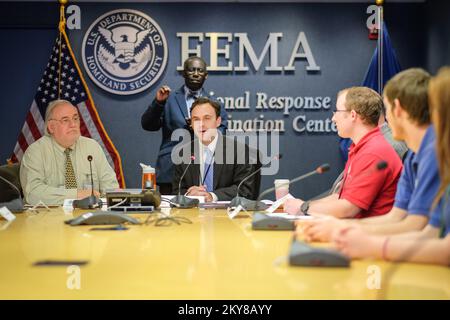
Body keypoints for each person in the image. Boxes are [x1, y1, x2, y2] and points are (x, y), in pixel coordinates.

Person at [299, 69, 440, 242]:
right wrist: (341, 228)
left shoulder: (431, 155)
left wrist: (346, 232)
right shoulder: (412, 157)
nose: (384, 118)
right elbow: (397, 218)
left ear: (397, 109)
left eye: (386, 109)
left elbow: (420, 229)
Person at [333, 67, 450, 266]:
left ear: (396, 108)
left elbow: (423, 230)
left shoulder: (433, 152)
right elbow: (428, 230)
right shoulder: (415, 153)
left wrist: (371, 244)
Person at [284, 87, 403, 219]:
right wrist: (303, 205)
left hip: (366, 236)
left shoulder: (373, 152)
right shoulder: (361, 147)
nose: (333, 118)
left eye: (337, 111)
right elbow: (340, 197)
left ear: (353, 115)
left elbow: (348, 208)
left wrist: (304, 208)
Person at [141, 56, 228, 195]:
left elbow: (221, 134)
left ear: (206, 76)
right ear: (183, 73)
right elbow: (148, 125)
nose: (195, 74)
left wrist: (201, 128)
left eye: (200, 71)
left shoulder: (214, 104)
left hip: (202, 168)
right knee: (169, 213)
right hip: (170, 167)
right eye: (191, 70)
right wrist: (158, 103)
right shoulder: (168, 99)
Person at [20, 100, 119, 205]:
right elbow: (33, 194)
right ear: (51, 127)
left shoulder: (92, 147)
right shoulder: (35, 152)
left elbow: (111, 187)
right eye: (65, 120)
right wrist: (76, 195)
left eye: (75, 118)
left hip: (88, 215)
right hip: (48, 217)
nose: (73, 124)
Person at [172, 97, 256, 202]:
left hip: (227, 215)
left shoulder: (239, 151)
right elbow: (177, 190)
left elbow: (244, 190)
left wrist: (212, 196)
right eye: (196, 119)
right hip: (194, 214)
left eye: (207, 118)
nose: (201, 124)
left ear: (218, 121)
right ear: (191, 124)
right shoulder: (184, 153)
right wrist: (189, 194)